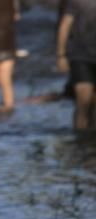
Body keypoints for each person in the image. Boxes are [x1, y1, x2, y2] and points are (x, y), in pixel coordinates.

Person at [56, 0, 96, 130]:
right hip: (81, 56)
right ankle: (79, 141)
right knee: (83, 102)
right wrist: (61, 54)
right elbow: (65, 26)